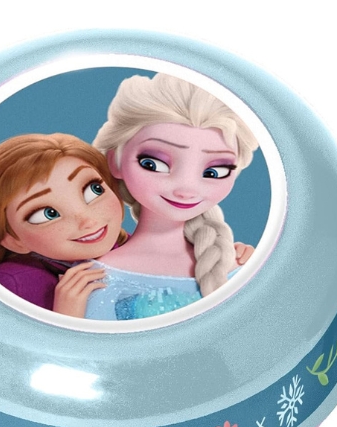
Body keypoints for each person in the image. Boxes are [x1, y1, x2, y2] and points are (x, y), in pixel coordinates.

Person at [88, 73, 258, 319]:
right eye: (153, 164)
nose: (186, 189)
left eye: (214, 172)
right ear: (115, 161)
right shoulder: (101, 276)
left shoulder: (239, 263)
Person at [0, 133, 127, 317]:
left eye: (94, 190)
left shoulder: (138, 247)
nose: (87, 221)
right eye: (47, 213)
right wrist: (66, 319)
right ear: (12, 239)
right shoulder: (12, 286)